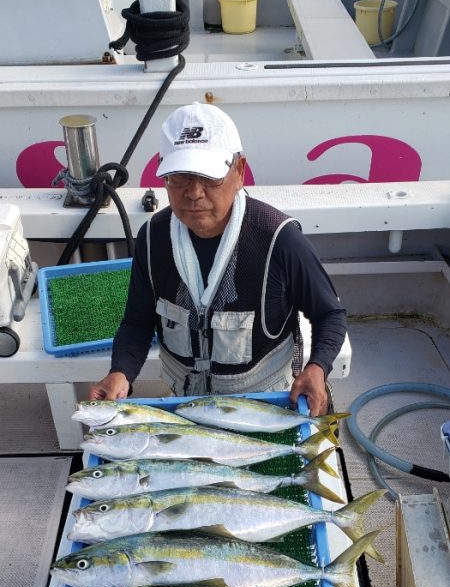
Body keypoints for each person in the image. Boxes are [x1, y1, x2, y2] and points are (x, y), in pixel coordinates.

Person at [89, 101, 347, 416]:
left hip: (267, 404)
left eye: (210, 177)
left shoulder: (279, 238)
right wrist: (121, 372)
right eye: (179, 177)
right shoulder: (152, 238)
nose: (194, 193)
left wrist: (318, 368)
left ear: (238, 172)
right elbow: (137, 322)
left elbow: (329, 314)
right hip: (185, 402)